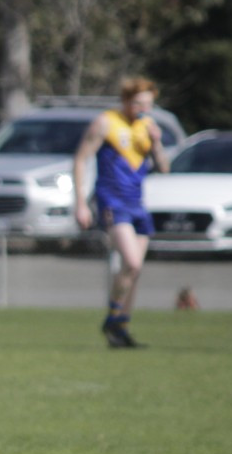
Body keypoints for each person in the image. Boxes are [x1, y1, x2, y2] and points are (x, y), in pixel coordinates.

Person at [73, 77, 170, 348]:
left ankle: (121, 328)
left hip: (138, 203)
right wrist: (80, 202)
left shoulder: (148, 127)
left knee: (134, 271)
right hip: (112, 202)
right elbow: (80, 159)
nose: (144, 108)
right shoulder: (106, 123)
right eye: (139, 103)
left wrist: (157, 144)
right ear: (126, 101)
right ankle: (113, 315)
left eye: (149, 104)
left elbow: (163, 168)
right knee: (132, 262)